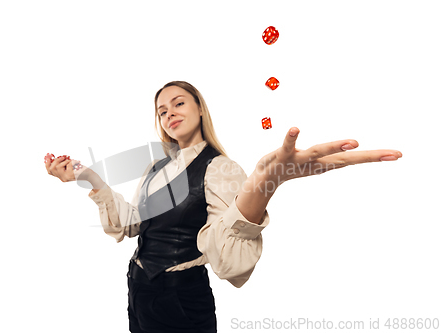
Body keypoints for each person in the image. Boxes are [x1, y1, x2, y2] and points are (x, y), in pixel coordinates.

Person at [45, 81, 402, 333]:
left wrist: (264, 183)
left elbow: (228, 262)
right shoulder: (155, 168)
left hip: (181, 300)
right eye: (162, 110)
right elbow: (132, 224)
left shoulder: (221, 168)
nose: (170, 113)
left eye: (179, 103)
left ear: (200, 108)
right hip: (138, 292)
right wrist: (88, 177)